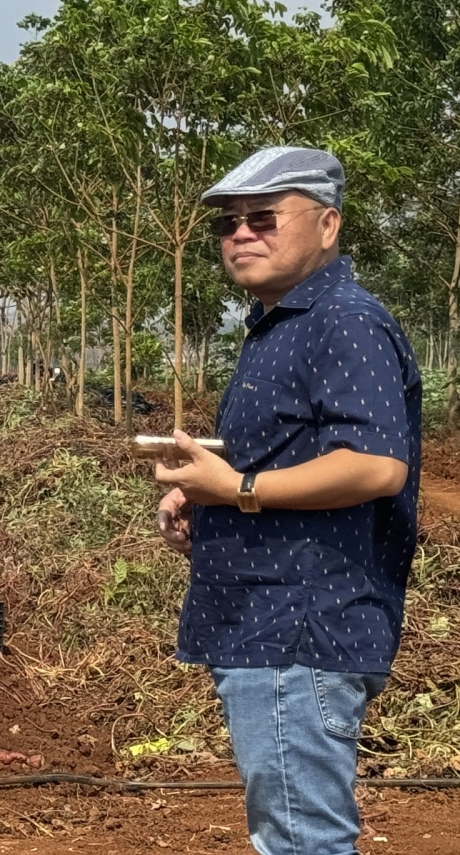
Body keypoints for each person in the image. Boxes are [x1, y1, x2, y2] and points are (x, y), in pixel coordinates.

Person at [154, 147, 420, 855]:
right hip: (264, 622)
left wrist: (238, 488)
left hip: (297, 628)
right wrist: (205, 490)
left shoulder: (341, 319)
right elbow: (301, 453)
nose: (241, 235)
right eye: (229, 224)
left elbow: (375, 465)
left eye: (264, 218)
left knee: (302, 841)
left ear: (327, 225)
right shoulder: (283, 321)